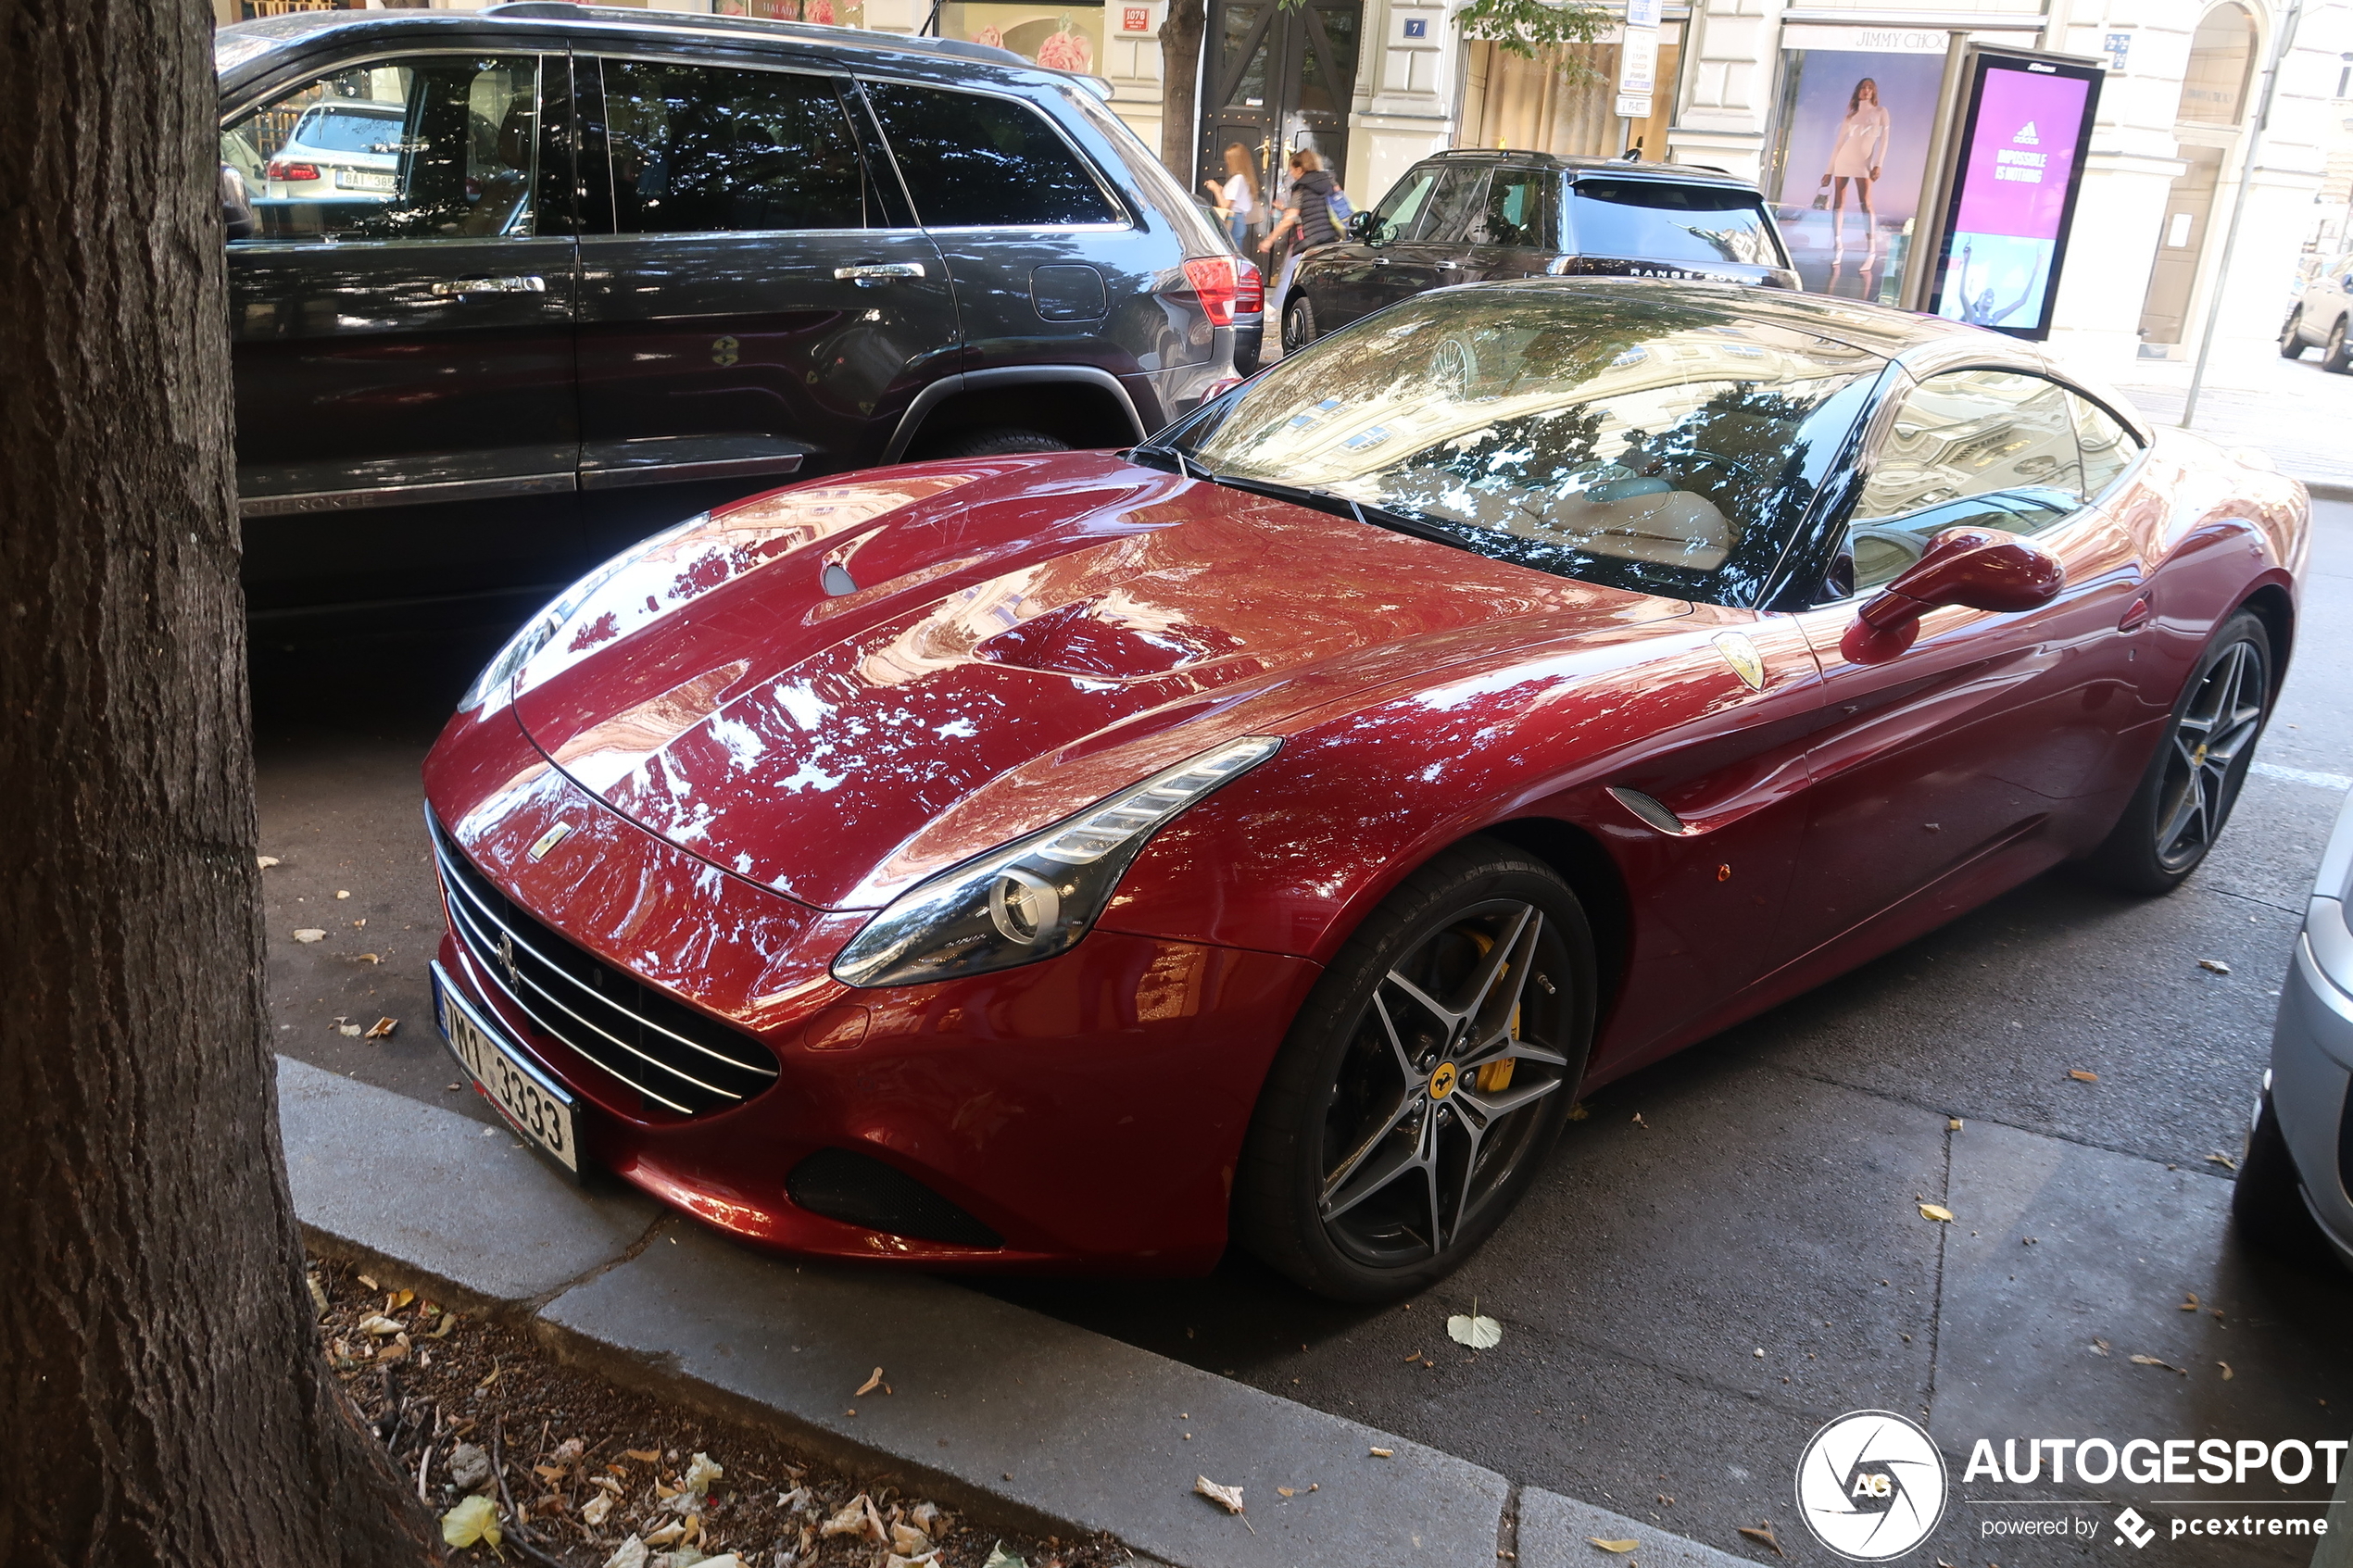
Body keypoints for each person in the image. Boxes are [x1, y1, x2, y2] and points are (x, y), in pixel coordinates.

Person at [1260, 147, 1342, 319]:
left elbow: (1291, 219)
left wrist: (1269, 240)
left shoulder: (1302, 187)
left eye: (1292, 169)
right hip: (1329, 238)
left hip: (1307, 240)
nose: (1291, 173)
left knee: (1288, 274)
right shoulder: (1329, 182)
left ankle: (1276, 311)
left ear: (1300, 169)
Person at [1818, 77, 1891, 251]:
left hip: (1863, 162)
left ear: (1874, 92)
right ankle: (1837, 241)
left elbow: (1884, 141)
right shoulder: (1851, 116)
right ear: (1858, 91)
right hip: (1844, 159)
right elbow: (1839, 144)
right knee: (1838, 203)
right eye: (1863, 87)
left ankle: (1871, 243)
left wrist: (1878, 165)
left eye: (1870, 88)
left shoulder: (1881, 112)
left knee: (1866, 202)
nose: (1866, 90)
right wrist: (1828, 171)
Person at [1202, 142, 1258, 253]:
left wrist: (1216, 190)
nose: (1227, 162)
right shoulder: (1242, 179)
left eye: (1229, 159)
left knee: (1230, 254)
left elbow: (1225, 205)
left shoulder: (1238, 179)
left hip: (1233, 220)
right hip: (1238, 219)